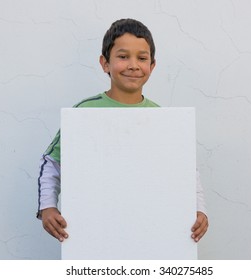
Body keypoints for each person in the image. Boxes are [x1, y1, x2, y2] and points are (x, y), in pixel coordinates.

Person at [37, 18, 208, 244]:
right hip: (96, 231)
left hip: (149, 231)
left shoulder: (162, 118)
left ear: (153, 66)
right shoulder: (84, 111)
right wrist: (47, 207)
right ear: (105, 63)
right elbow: (52, 161)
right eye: (123, 56)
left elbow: (185, 171)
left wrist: (199, 208)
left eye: (142, 58)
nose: (133, 65)